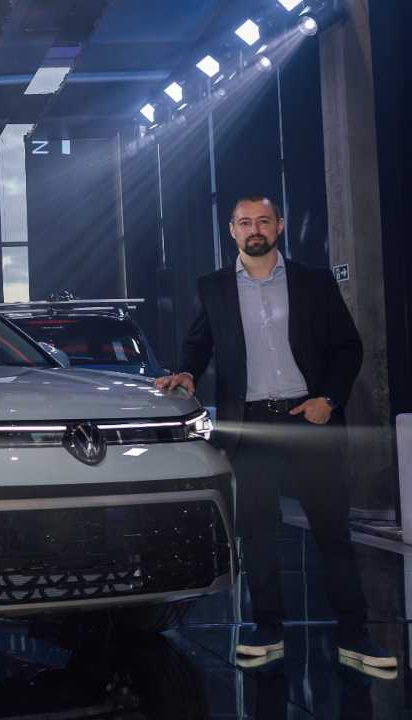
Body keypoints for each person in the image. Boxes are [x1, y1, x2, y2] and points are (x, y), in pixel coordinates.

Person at [154, 194, 394, 671]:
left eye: (263, 220)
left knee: (333, 533)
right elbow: (199, 345)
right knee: (259, 534)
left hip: (311, 419)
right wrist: (185, 372)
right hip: (251, 425)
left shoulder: (314, 281)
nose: (255, 229)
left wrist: (329, 400)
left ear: (279, 226)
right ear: (232, 230)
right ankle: (268, 630)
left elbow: (348, 347)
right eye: (245, 222)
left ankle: (355, 636)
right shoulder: (214, 286)